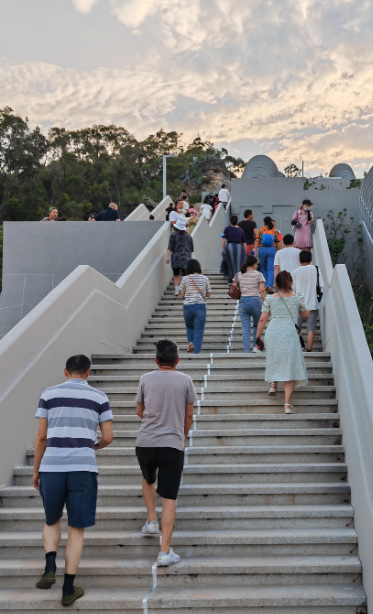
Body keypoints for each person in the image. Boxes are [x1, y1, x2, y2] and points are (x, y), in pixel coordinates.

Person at [32, 354, 114, 606]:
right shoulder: (99, 397)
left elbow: (41, 438)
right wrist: (92, 446)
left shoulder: (49, 394)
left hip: (52, 467)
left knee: (51, 519)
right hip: (83, 468)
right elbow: (109, 437)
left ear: (65, 372)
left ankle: (49, 566)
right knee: (76, 528)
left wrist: (36, 471)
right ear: (88, 373)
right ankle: (68, 588)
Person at [135, 339, 196, 567]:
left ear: (156, 360)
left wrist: (154, 422)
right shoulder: (185, 380)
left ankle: (151, 520)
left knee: (148, 478)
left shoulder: (145, 379)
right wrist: (182, 435)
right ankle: (164, 552)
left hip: (145, 442)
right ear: (177, 361)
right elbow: (188, 415)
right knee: (169, 497)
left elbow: (139, 410)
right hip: (172, 443)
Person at [255, 271, 309, 414]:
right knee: (289, 367)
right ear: (290, 283)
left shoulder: (270, 299)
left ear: (277, 284)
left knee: (275, 359)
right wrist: (301, 304)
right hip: (290, 334)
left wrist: (258, 336)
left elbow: (262, 319)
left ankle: (273, 385)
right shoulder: (297, 297)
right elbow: (306, 315)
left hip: (273, 332)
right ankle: (287, 405)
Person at [291, 250, 323, 351]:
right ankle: (309, 350)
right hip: (312, 304)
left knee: (295, 327)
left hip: (299, 305)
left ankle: (300, 344)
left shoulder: (295, 272)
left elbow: (293, 290)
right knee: (311, 330)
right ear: (311, 259)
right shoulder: (316, 270)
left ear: (299, 260)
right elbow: (320, 287)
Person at [234, 256, 266, 353]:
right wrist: (265, 302)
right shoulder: (258, 274)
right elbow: (261, 290)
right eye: (256, 264)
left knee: (245, 328)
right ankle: (256, 347)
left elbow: (233, 286)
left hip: (243, 300)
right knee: (257, 325)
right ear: (253, 264)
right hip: (255, 300)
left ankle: (247, 351)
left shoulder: (239, 274)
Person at [179, 259, 211, 354]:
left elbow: (182, 294)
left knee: (189, 326)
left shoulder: (185, 278)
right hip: (200, 306)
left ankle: (191, 343)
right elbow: (208, 294)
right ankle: (196, 353)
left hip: (187, 306)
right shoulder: (205, 278)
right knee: (199, 330)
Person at [166, 220, 194, 295]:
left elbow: (170, 247)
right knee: (185, 276)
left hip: (176, 258)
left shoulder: (173, 235)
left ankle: (176, 290)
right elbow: (191, 249)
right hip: (186, 258)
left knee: (176, 275)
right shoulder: (188, 236)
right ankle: (184, 290)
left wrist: (167, 257)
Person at [221, 215, 247, 280]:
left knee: (229, 262)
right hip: (239, 247)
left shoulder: (227, 229)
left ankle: (230, 278)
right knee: (238, 262)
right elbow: (244, 243)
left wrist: (223, 249)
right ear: (237, 221)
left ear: (230, 221)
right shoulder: (241, 230)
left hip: (229, 246)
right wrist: (245, 252)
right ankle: (237, 278)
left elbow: (224, 239)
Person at [257, 218, 279, 290]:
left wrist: (255, 250)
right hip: (272, 249)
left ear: (264, 223)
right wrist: (278, 250)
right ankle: (270, 285)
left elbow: (257, 240)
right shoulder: (274, 231)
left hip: (262, 249)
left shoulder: (261, 230)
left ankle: (265, 285)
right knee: (271, 268)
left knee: (263, 268)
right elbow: (277, 241)